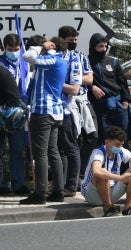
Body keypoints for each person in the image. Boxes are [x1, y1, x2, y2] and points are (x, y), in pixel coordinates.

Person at [19, 37, 68, 205]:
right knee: (52, 152)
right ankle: (58, 191)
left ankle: (40, 193)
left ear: (52, 46)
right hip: (55, 112)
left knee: (40, 153)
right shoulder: (60, 60)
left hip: (43, 111)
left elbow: (28, 57)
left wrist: (40, 46)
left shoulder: (52, 59)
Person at [58, 25, 95, 198]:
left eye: (75, 40)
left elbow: (89, 78)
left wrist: (74, 81)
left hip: (80, 101)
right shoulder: (57, 56)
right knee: (64, 145)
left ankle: (76, 178)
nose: (73, 43)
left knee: (88, 138)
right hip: (62, 104)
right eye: (69, 41)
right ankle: (65, 182)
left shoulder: (80, 57)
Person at [81, 126, 131, 216]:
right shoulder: (98, 152)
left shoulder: (121, 151)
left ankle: (128, 208)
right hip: (92, 195)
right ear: (107, 142)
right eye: (117, 144)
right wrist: (120, 178)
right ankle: (108, 208)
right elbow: (96, 171)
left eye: (122, 144)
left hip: (112, 192)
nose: (120, 147)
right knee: (103, 173)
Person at [87, 34, 131, 147]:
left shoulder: (113, 62)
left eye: (105, 46)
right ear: (93, 46)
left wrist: (126, 100)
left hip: (118, 104)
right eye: (100, 46)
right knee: (105, 137)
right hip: (101, 106)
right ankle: (106, 162)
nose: (104, 49)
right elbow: (82, 79)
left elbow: (122, 82)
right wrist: (92, 86)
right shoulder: (87, 62)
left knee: (122, 137)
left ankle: (123, 164)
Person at [0, 34, 29, 197]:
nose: (13, 52)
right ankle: (2, 184)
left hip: (19, 112)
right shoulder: (1, 63)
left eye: (16, 50)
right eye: (10, 50)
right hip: (2, 111)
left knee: (17, 150)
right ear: (4, 48)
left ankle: (19, 184)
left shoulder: (24, 63)